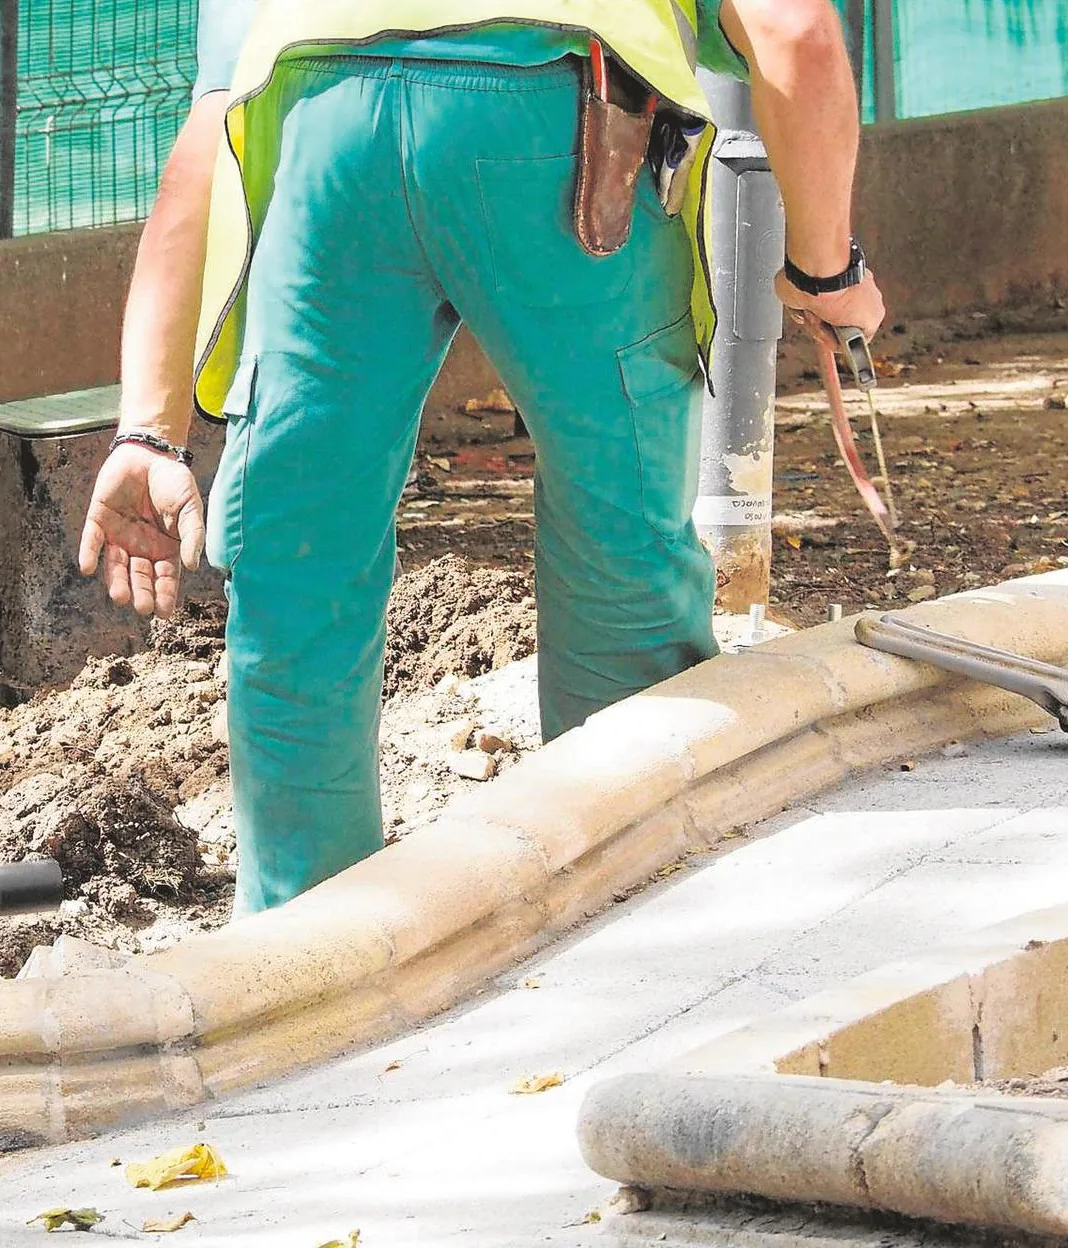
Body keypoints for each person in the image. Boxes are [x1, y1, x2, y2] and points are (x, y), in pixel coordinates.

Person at [80, 0, 885, 917]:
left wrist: (147, 431)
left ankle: (304, 960)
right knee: (616, 540)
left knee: (301, 560)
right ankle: (627, 916)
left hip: (323, 120)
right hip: (559, 119)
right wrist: (826, 271)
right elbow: (798, 33)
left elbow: (205, 138)